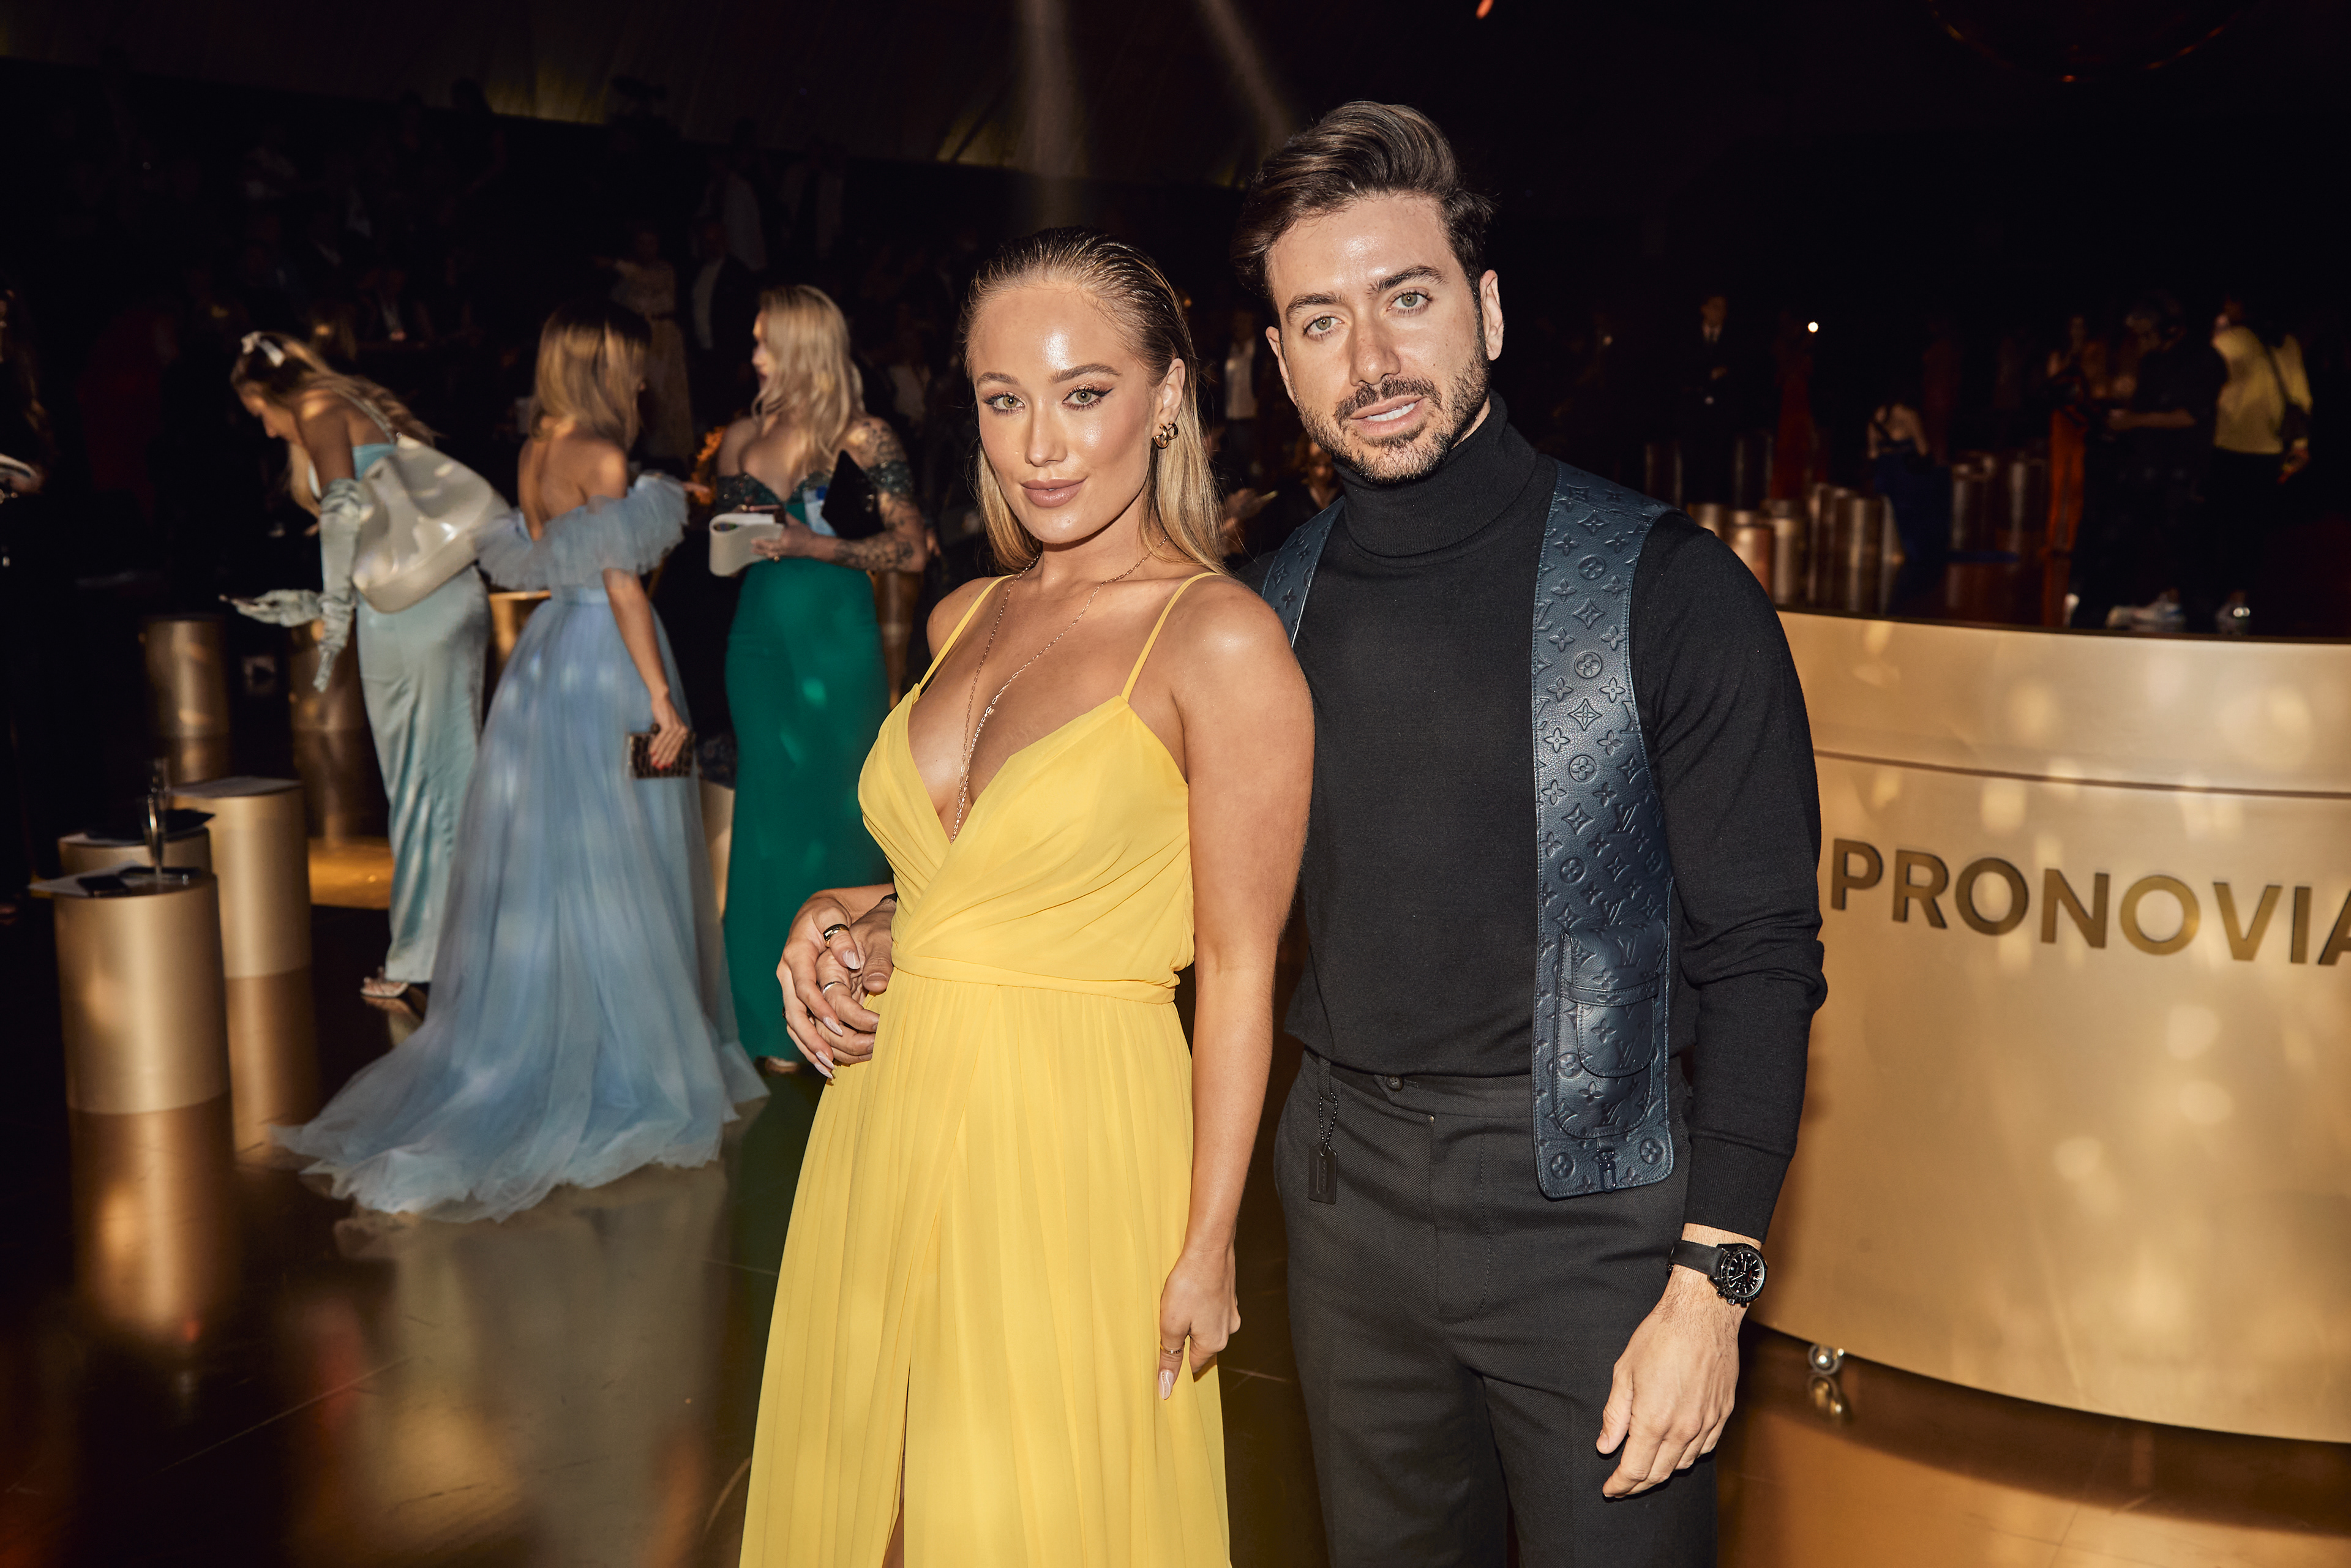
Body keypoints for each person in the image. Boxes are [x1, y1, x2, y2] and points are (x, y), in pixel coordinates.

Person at [1231, 103, 1823, 1561]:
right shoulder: (1258, 614)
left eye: (1407, 298)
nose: (1370, 361)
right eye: (1320, 322)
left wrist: (1711, 1287)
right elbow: (1127, 854)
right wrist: (895, 911)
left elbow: (1761, 953)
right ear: (1280, 362)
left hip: (1599, 1218)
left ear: (1488, 310)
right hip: (1343, 1198)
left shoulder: (1670, 591)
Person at [741, 230, 1312, 1566]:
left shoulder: (1221, 640)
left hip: (1071, 1143)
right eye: (1005, 401)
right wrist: (851, 912)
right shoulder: (962, 618)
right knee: (868, 1508)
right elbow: (970, 879)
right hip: (883, 1120)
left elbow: (1240, 966)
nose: (1041, 445)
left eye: (1084, 393)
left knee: (1026, 1516)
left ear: (1166, 397)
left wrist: (1210, 1241)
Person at [273, 299, 765, 1220]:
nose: (644, 379)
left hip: (544, 665)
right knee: (622, 858)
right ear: (602, 367)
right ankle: (627, 1058)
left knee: (557, 866)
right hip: (608, 664)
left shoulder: (538, 451)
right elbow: (624, 589)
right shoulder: (603, 458)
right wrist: (661, 698)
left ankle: (568, 1036)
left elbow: (549, 559)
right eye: (632, 363)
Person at [228, 330, 491, 1008]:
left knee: (420, 784)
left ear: (275, 392)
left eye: (259, 411)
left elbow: (344, 511)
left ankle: (420, 955)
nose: (265, 427)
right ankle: (474, 942)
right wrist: (324, 603)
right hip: (447, 594)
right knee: (452, 776)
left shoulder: (316, 407)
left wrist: (333, 614)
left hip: (406, 613)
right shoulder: (353, 405)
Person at [716, 285, 926, 1064]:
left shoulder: (862, 436)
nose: (754, 355)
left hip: (837, 640)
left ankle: (850, 998)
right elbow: (726, 555)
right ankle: (765, 1018)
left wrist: (815, 545)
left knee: (840, 811)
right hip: (759, 637)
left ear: (803, 346)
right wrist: (730, 535)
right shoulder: (741, 434)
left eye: (766, 340)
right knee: (767, 819)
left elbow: (911, 548)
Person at [2080, 292, 2225, 632]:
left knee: (2189, 561)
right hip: (2142, 471)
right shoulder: (2153, 361)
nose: (2142, 342)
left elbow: (2190, 416)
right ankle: (2086, 622)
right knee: (2111, 550)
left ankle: (2204, 628)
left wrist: (2134, 421)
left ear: (2170, 329)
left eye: (2147, 334)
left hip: (2180, 476)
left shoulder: (2203, 360)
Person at [2206, 293, 2314, 634]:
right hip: (2269, 448)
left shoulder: (2230, 340)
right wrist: (2300, 445)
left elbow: (2205, 383)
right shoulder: (2286, 342)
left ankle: (2204, 597)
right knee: (2250, 529)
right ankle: (2238, 601)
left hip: (2226, 442)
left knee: (2215, 523)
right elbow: (2301, 396)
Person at [602, 222, 696, 466]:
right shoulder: (624, 281)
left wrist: (615, 264)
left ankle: (677, 460)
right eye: (641, 243)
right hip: (638, 343)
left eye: (651, 243)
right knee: (641, 396)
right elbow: (615, 304)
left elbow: (647, 280)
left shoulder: (663, 270)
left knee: (669, 402)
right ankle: (643, 454)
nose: (646, 249)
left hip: (664, 340)